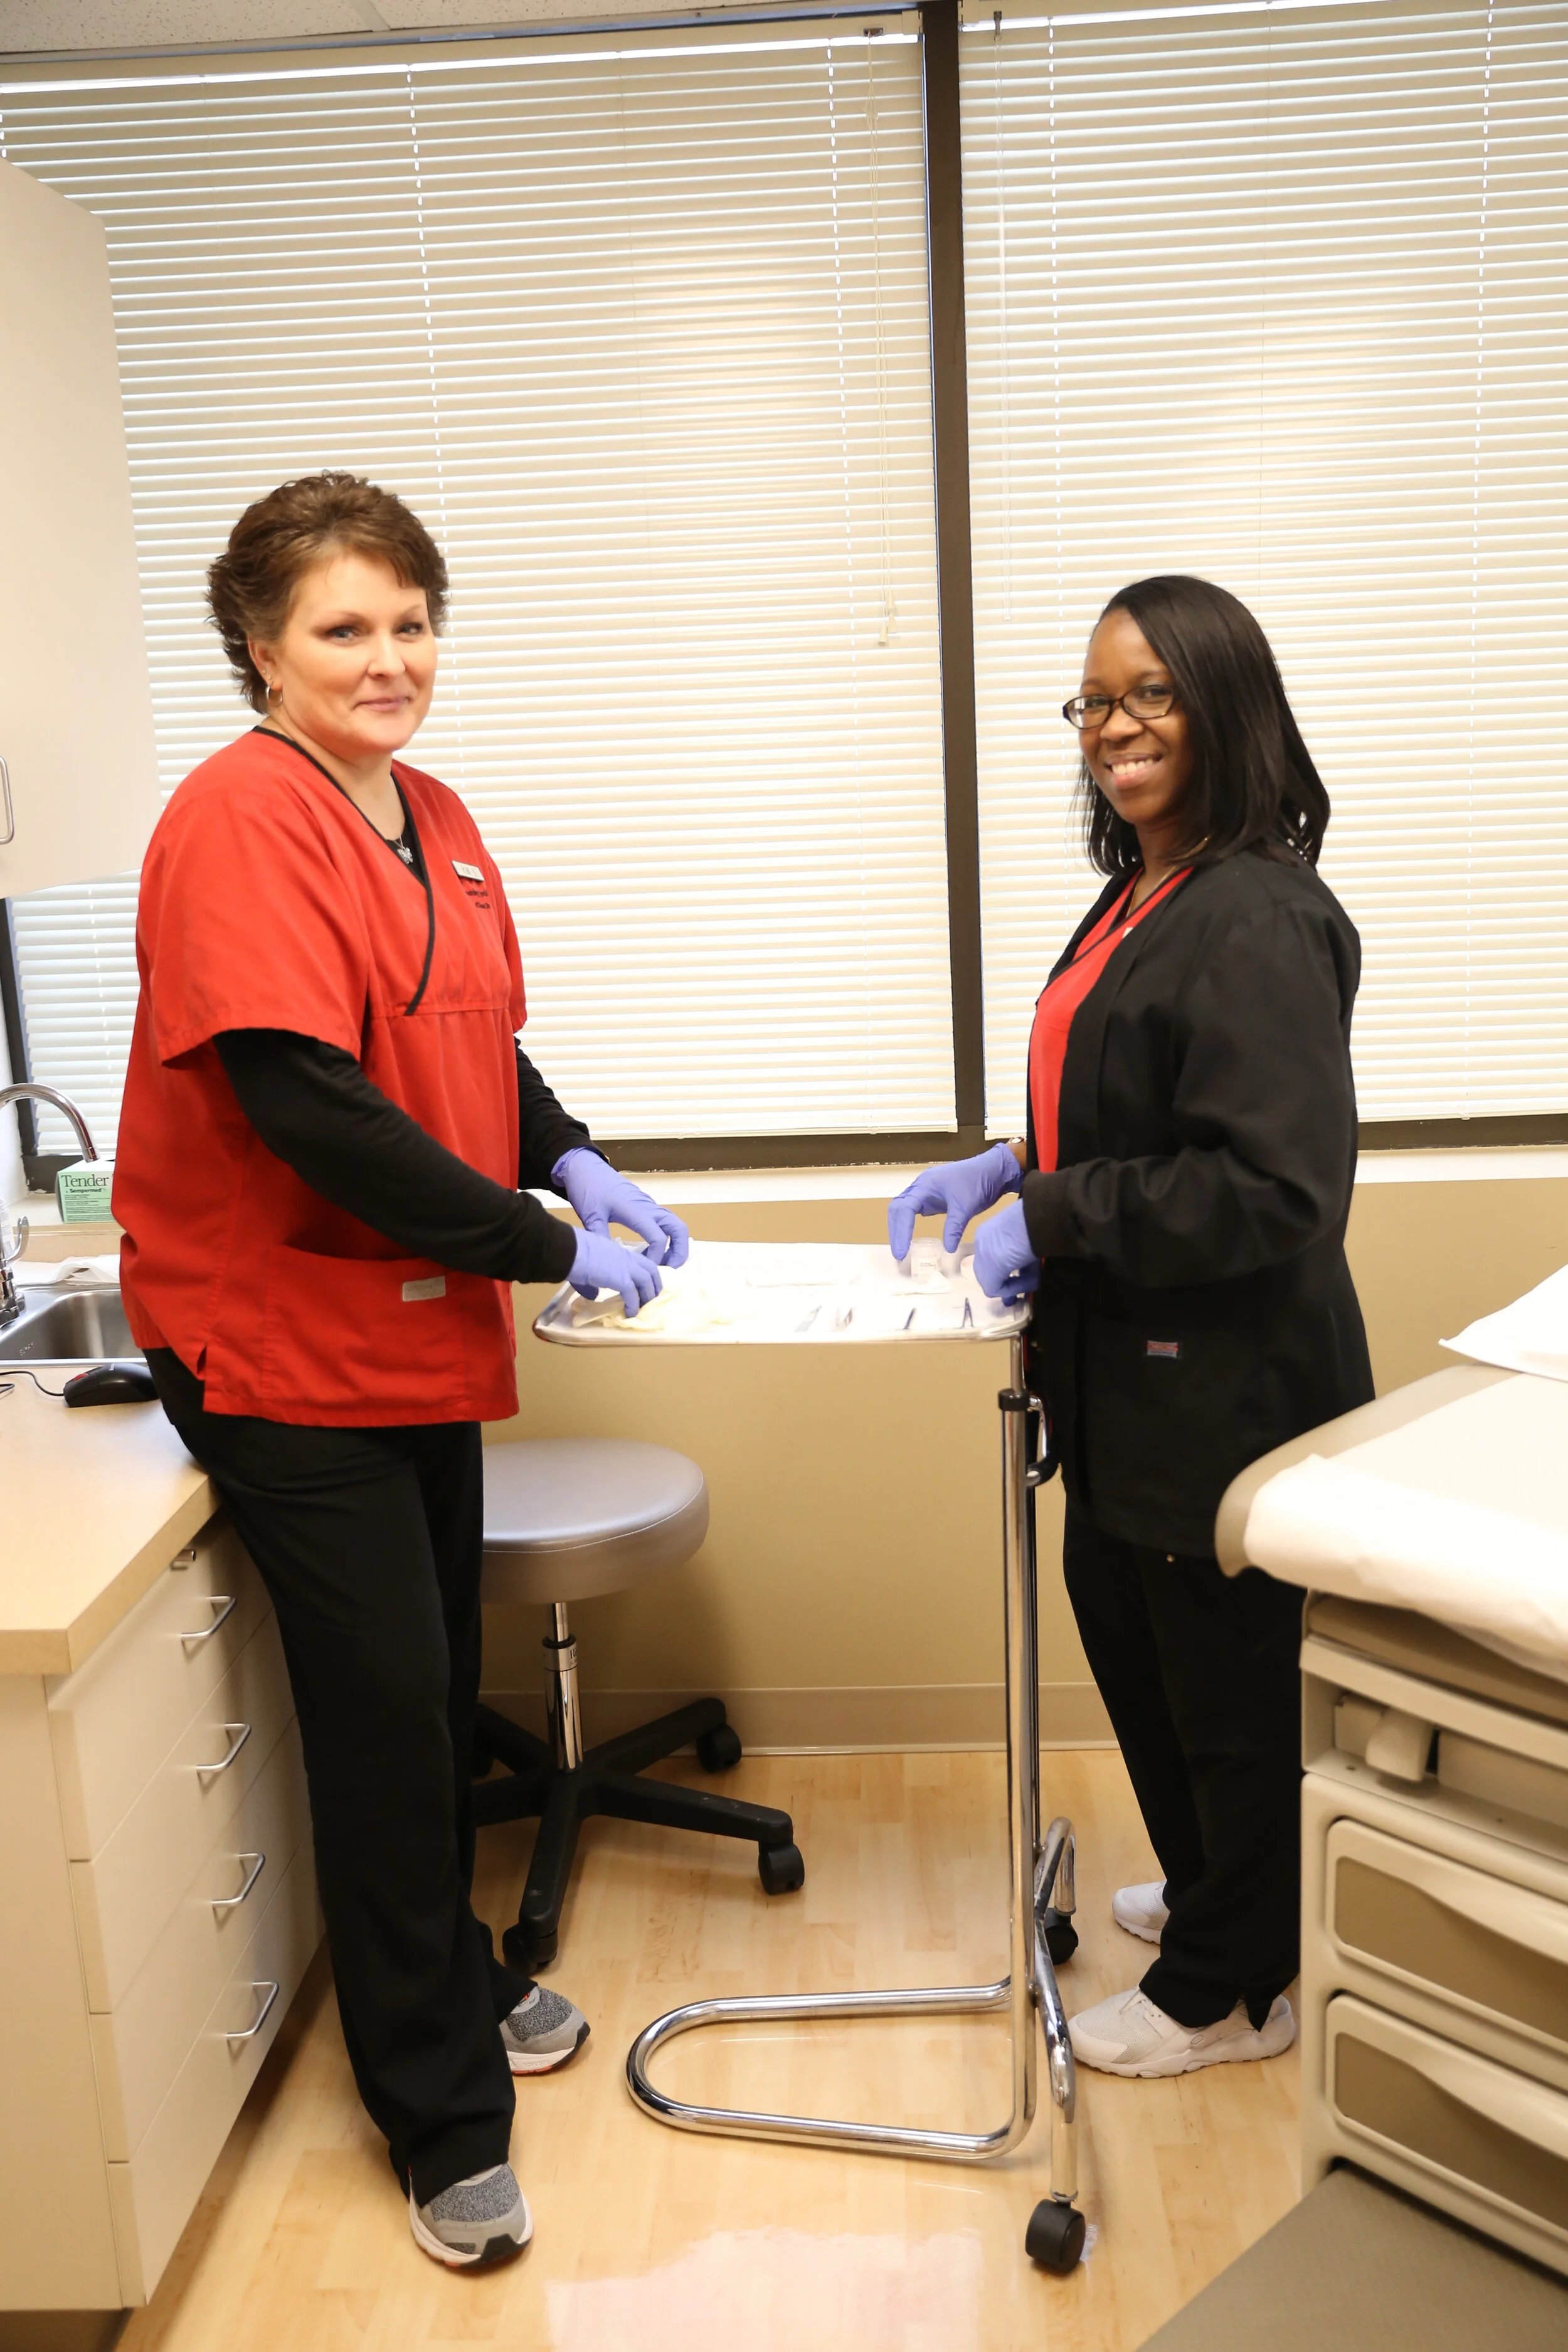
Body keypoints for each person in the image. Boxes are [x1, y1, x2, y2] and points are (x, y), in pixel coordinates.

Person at [114, 471, 691, 2265]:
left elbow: (470, 1040)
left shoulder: (428, 809)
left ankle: (444, 1970)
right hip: (277, 1338)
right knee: (381, 1733)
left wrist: (572, 1146)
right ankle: (440, 2113)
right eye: (342, 628)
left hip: (408, 1326)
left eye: (409, 622)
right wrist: (540, 1242)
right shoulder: (234, 820)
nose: (387, 658)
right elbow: (310, 1106)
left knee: (434, 1699)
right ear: (260, 649)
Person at [889, 575, 1372, 2079]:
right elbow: (1124, 1106)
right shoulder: (1143, 888)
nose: (1114, 727)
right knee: (1137, 1641)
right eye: (1094, 702)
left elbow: (1273, 1188)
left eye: (1150, 693)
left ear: (1226, 703)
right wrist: (1015, 1166)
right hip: (1121, 1381)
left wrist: (1056, 1211)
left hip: (1218, 1388)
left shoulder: (1256, 912)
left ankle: (1233, 1988)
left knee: (1221, 1683)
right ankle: (1223, 1894)